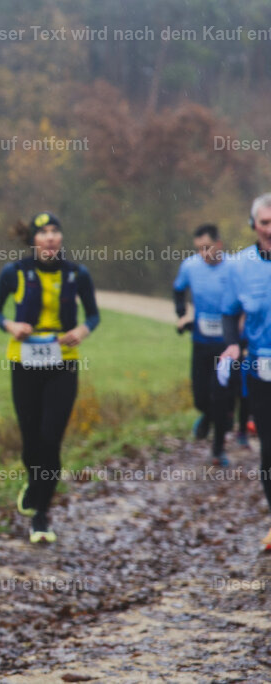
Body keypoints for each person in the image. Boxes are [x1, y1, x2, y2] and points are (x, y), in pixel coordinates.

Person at [0, 212, 99, 543]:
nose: (50, 237)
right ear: (33, 240)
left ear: (61, 238)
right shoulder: (15, 272)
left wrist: (81, 330)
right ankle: (34, 483)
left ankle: (41, 515)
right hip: (24, 362)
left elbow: (93, 315)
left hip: (62, 363)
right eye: (43, 232)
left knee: (50, 439)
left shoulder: (77, 274)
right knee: (31, 439)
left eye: (55, 231)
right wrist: (10, 325)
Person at [220, 193, 271, 552]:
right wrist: (232, 344)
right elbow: (228, 312)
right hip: (261, 370)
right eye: (265, 222)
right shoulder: (239, 266)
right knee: (269, 449)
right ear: (253, 225)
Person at [173, 224, 245, 466]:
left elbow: (245, 300)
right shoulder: (190, 266)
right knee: (201, 399)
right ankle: (206, 415)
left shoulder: (235, 267)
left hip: (227, 346)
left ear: (219, 245)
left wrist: (241, 330)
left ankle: (218, 451)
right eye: (198, 249)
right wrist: (182, 314)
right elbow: (178, 290)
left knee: (222, 398)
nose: (203, 253)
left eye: (207, 248)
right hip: (201, 342)